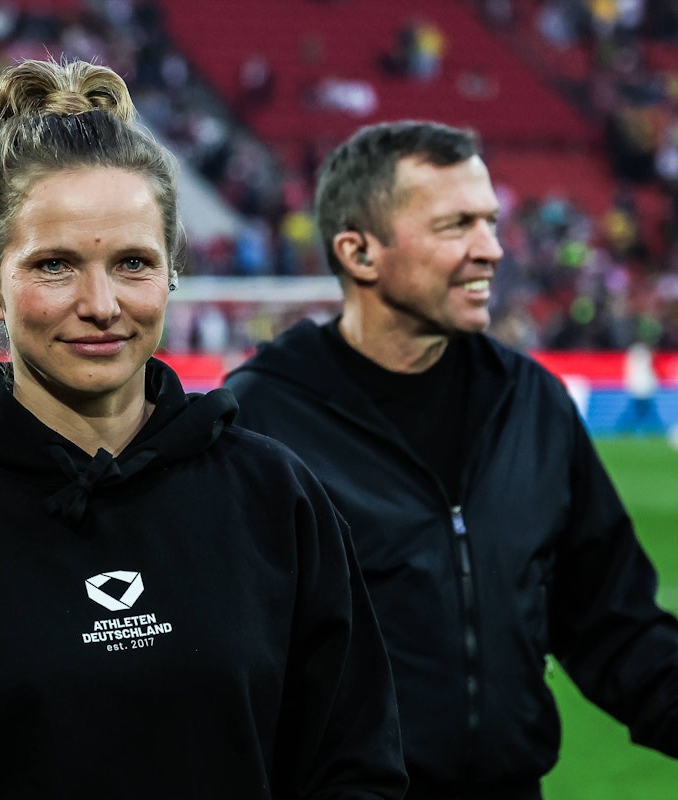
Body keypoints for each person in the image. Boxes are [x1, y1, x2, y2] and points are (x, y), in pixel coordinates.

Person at [0, 59, 408, 799]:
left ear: (172, 272)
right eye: (55, 266)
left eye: (132, 263)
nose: (101, 304)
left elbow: (356, 769)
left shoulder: (276, 501)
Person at [225, 120, 678, 799]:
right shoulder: (259, 422)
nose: (491, 249)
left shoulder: (531, 402)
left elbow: (615, 627)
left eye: (490, 222)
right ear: (359, 252)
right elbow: (216, 670)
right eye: (455, 226)